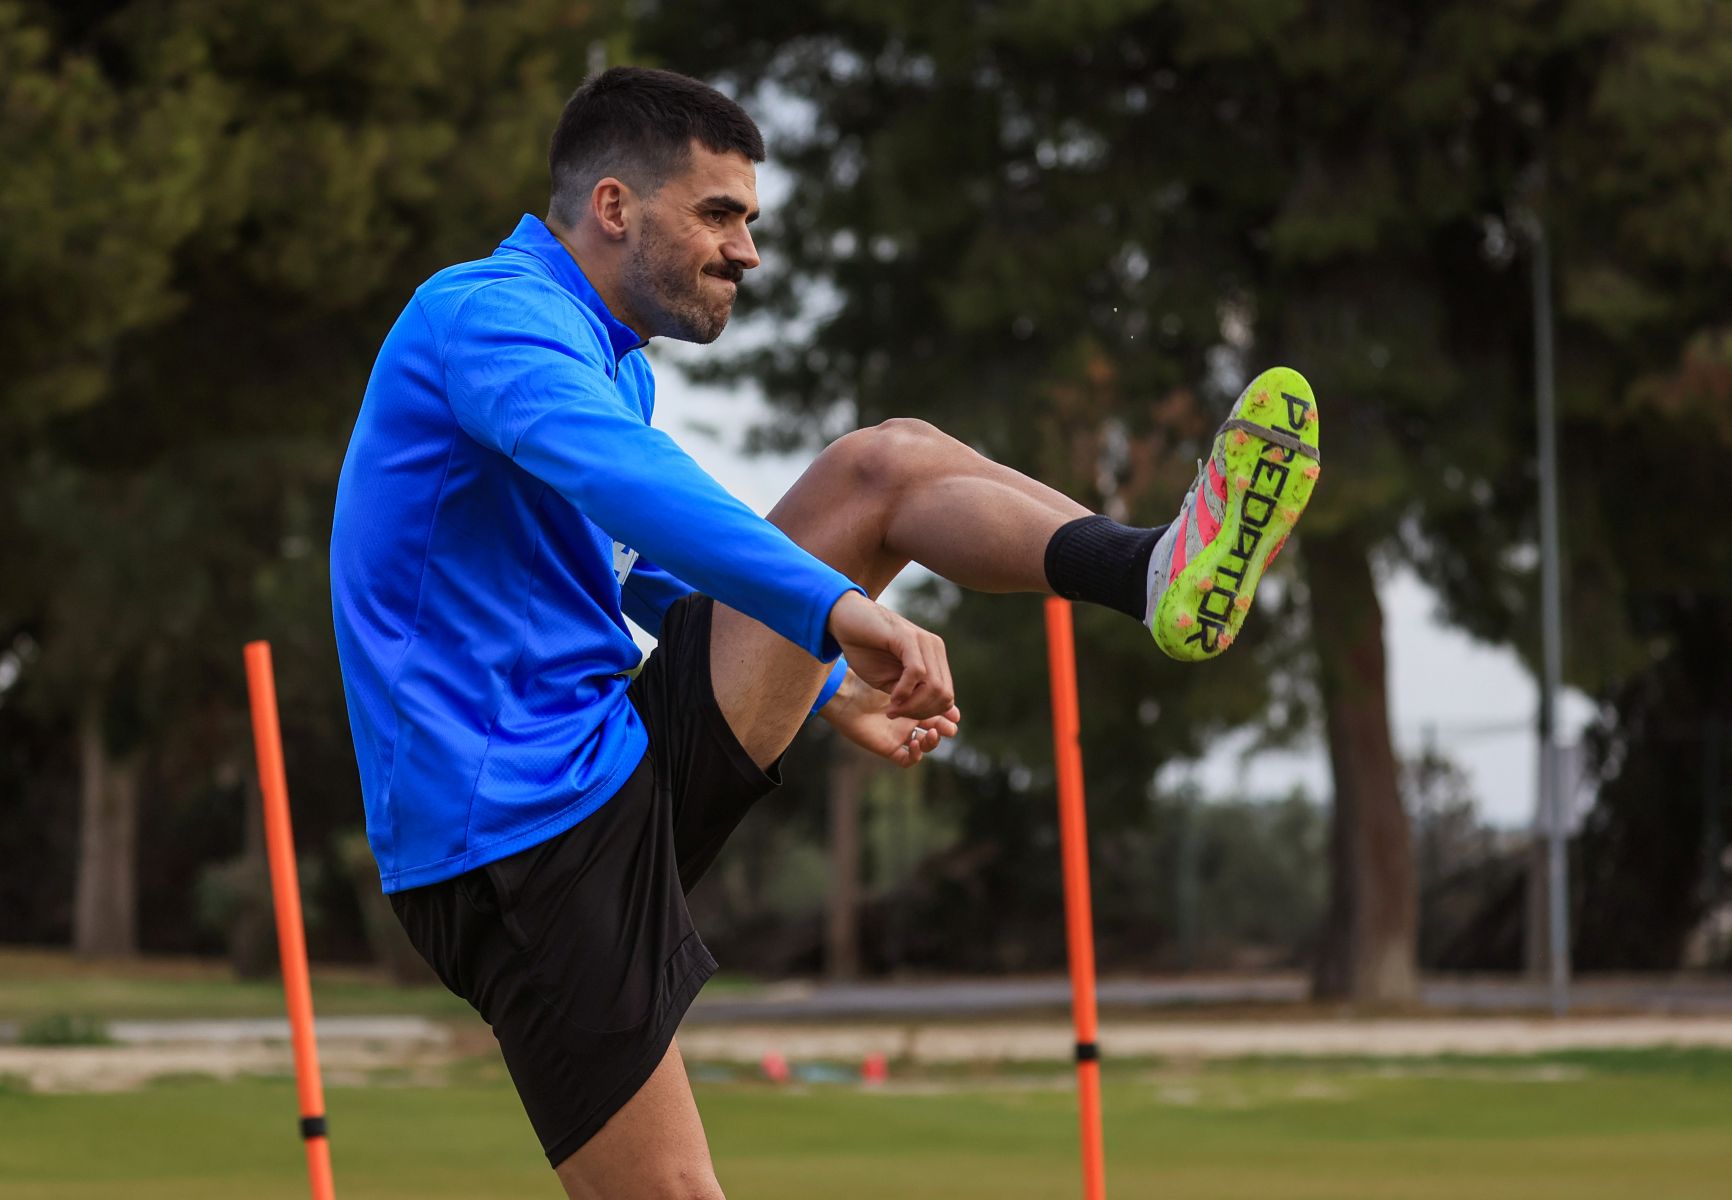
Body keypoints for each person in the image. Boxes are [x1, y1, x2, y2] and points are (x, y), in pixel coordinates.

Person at [330, 65, 1318, 1200]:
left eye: (749, 220)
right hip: (511, 838)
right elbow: (631, 484)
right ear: (613, 207)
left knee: (882, 467)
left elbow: (635, 565)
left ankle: (1152, 571)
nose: (746, 251)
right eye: (720, 214)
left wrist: (830, 679)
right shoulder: (486, 318)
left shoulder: (605, 361)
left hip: (603, 763)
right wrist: (833, 609)